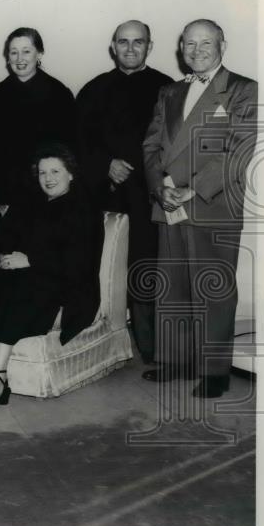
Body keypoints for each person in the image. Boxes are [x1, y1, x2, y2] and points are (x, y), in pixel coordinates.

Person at [142, 19, 257, 398]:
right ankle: (174, 361)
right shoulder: (169, 91)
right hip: (169, 200)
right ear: (180, 48)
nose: (197, 51)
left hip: (212, 203)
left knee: (213, 288)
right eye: (189, 44)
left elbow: (239, 150)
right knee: (171, 286)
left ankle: (215, 371)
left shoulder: (242, 89)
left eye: (205, 43)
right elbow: (151, 145)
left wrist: (192, 190)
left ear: (222, 45)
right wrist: (160, 187)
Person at [0, 144, 103, 410]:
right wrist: (0, 257)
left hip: (65, 285)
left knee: (22, 289)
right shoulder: (29, 202)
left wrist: (31, 261)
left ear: (71, 174)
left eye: (55, 172)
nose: (48, 179)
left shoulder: (83, 208)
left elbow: (80, 262)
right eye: (42, 173)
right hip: (19, 275)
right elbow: (3, 237)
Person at [77, 20, 172, 364]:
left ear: (149, 46)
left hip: (148, 195)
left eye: (138, 42)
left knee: (146, 269)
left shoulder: (168, 88)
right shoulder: (93, 89)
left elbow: (174, 145)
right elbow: (79, 143)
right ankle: (101, 347)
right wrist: (106, 165)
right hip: (104, 194)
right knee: (100, 268)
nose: (130, 48)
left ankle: (152, 349)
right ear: (112, 46)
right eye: (123, 42)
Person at [0, 27, 77, 207]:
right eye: (14, 52)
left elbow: (68, 147)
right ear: (7, 57)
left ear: (39, 54)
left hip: (44, 188)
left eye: (26, 51)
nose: (20, 59)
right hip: (3, 187)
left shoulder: (59, 94)